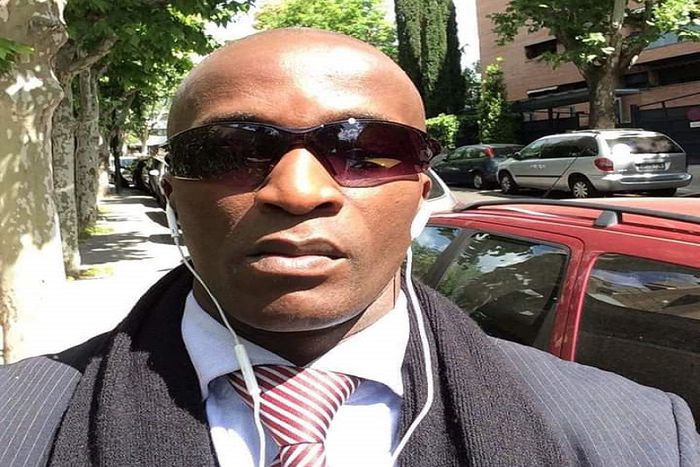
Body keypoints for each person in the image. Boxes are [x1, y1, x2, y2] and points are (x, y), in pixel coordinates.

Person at [1, 28, 698, 467]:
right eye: (233, 150)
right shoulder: (19, 423)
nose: (299, 191)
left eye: (365, 152)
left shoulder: (637, 436)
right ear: (171, 191)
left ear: (424, 191)